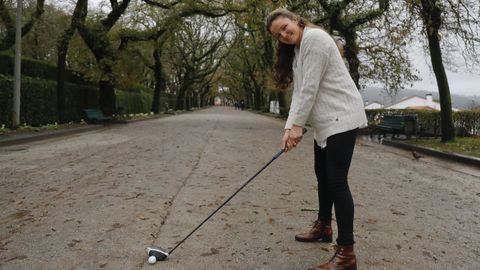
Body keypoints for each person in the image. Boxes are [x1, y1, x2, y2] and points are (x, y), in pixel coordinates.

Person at [266, 8, 367, 270]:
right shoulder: (300, 49)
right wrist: (289, 128)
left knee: (336, 181)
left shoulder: (315, 39)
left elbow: (310, 88)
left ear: (296, 20)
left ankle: (346, 253)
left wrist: (298, 126)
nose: (285, 35)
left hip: (341, 117)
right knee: (322, 176)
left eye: (286, 28)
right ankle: (323, 226)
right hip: (325, 122)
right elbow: (300, 92)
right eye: (279, 34)